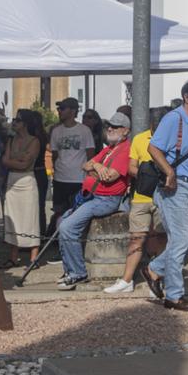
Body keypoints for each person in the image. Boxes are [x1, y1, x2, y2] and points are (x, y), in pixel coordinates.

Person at [150, 78, 188, 312]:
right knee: (179, 242)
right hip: (174, 188)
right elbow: (153, 147)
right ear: (187, 97)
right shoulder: (173, 118)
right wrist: (169, 172)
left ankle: (155, 268)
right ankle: (174, 296)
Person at [56, 112, 134, 289]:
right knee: (62, 222)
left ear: (125, 131)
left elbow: (110, 177)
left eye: (115, 126)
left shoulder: (125, 149)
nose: (110, 129)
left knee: (68, 227)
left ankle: (77, 273)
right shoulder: (109, 149)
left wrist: (94, 168)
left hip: (105, 199)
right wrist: (98, 166)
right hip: (91, 196)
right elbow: (85, 165)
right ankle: (70, 269)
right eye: (109, 125)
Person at [106, 109, 166, 295]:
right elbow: (131, 166)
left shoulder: (171, 139)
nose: (157, 129)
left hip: (163, 197)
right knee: (136, 239)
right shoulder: (139, 139)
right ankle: (126, 280)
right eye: (154, 126)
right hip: (141, 196)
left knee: (160, 239)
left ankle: (159, 278)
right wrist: (145, 174)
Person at [0, 109, 46, 267]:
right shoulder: (11, 140)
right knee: (12, 217)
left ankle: (34, 257)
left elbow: (26, 163)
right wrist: (17, 160)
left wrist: (14, 160)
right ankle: (13, 256)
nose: (14, 122)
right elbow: (4, 160)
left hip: (27, 180)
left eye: (17, 120)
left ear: (25, 123)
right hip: (13, 180)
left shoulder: (34, 141)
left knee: (30, 217)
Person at [47, 98, 93, 227]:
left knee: (77, 211)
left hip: (79, 179)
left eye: (62, 108)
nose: (59, 111)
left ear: (73, 111)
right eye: (58, 108)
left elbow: (90, 155)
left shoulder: (84, 130)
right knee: (59, 211)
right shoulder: (56, 131)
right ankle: (59, 239)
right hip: (60, 178)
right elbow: (54, 154)